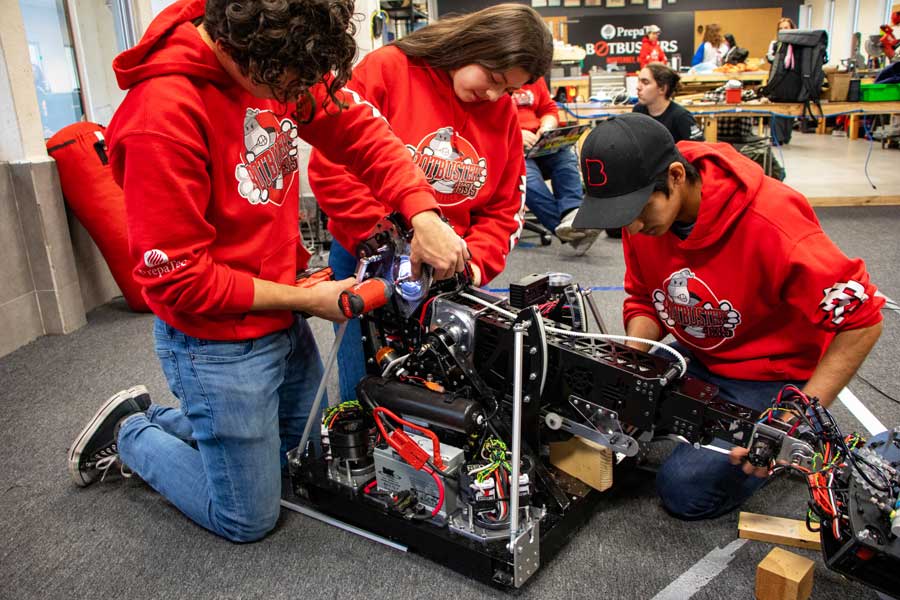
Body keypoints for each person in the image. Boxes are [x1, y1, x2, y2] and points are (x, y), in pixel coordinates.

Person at [67, 0, 469, 543]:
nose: (295, 97)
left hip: (277, 317)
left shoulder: (279, 55)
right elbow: (178, 279)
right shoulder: (160, 117)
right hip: (213, 338)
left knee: (305, 455)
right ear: (241, 49)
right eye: (287, 85)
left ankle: (192, 426)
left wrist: (422, 212)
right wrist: (307, 300)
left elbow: (358, 132)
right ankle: (132, 432)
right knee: (247, 517)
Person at [572, 113, 884, 520]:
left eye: (636, 208)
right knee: (587, 403)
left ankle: (790, 442)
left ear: (677, 176)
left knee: (683, 490)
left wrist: (793, 417)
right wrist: (634, 361)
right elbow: (645, 299)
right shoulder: (643, 221)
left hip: (769, 375)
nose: (630, 224)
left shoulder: (774, 223)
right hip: (697, 354)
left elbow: (863, 321)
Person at [308, 4, 553, 403]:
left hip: (448, 273)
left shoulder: (501, 111)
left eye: (507, 89)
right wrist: (391, 245)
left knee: (444, 398)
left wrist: (473, 266)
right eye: (492, 78)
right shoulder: (389, 69)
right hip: (366, 260)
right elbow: (333, 168)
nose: (493, 95)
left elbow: (505, 209)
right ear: (473, 43)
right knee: (368, 391)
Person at [513, 77, 598, 253]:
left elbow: (549, 109)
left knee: (566, 158)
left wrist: (546, 127)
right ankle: (570, 229)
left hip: (540, 141)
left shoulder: (534, 78)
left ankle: (573, 213)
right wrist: (515, 134)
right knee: (528, 178)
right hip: (512, 147)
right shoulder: (496, 81)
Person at [633, 63, 704, 143]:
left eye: (645, 83)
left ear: (662, 89)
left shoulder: (682, 117)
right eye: (638, 81)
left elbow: (700, 150)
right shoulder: (638, 111)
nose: (638, 87)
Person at [767, 18, 797, 145]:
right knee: (777, 108)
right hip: (778, 79)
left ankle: (786, 136)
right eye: (781, 28)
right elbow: (770, 57)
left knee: (790, 108)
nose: (784, 30)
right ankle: (776, 137)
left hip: (792, 79)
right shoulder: (775, 43)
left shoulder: (797, 45)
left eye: (786, 28)